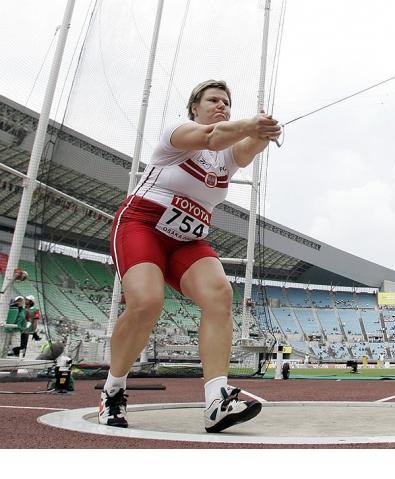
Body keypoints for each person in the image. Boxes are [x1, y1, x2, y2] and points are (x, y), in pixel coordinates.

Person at [99, 80, 281, 431]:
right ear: (194, 108)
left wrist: (265, 130)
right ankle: (113, 390)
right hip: (143, 225)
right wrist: (247, 124)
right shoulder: (177, 134)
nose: (222, 106)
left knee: (219, 294)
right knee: (147, 302)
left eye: (227, 102)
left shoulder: (225, 157)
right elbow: (212, 136)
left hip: (186, 239)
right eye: (213, 100)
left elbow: (247, 149)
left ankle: (216, 400)